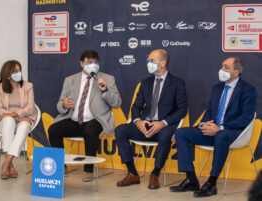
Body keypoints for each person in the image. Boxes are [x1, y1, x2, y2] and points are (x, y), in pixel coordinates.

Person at [170, 57, 257, 197]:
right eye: (222, 65)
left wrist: (220, 128)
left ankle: (212, 183)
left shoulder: (248, 89)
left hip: (231, 133)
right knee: (181, 133)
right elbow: (209, 111)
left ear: (235, 72)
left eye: (226, 67)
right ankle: (191, 180)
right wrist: (204, 124)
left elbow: (246, 118)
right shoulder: (217, 88)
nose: (222, 69)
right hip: (213, 130)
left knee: (221, 135)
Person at [115, 49, 188, 189]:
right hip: (145, 124)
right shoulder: (145, 83)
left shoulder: (177, 83)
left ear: (163, 63)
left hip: (164, 126)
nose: (148, 63)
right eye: (148, 61)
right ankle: (132, 173)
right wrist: (137, 121)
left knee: (166, 133)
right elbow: (136, 107)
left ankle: (155, 174)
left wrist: (163, 123)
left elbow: (182, 110)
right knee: (120, 130)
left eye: (152, 61)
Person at [48, 50, 122, 182]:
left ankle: (89, 170)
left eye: (95, 63)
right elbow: (59, 104)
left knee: (90, 130)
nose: (93, 65)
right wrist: (64, 105)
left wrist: (105, 90)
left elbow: (117, 103)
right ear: (81, 64)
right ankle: (60, 166)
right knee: (53, 130)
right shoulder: (70, 80)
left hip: (96, 120)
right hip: (73, 119)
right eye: (89, 62)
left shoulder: (107, 79)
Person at [0, 60, 37, 179]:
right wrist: (13, 115)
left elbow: (30, 107)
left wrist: (18, 114)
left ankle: (6, 163)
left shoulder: (28, 86)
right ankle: (9, 164)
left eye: (19, 70)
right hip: (4, 119)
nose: (19, 73)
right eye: (15, 71)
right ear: (7, 74)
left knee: (24, 126)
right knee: (8, 121)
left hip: (25, 117)